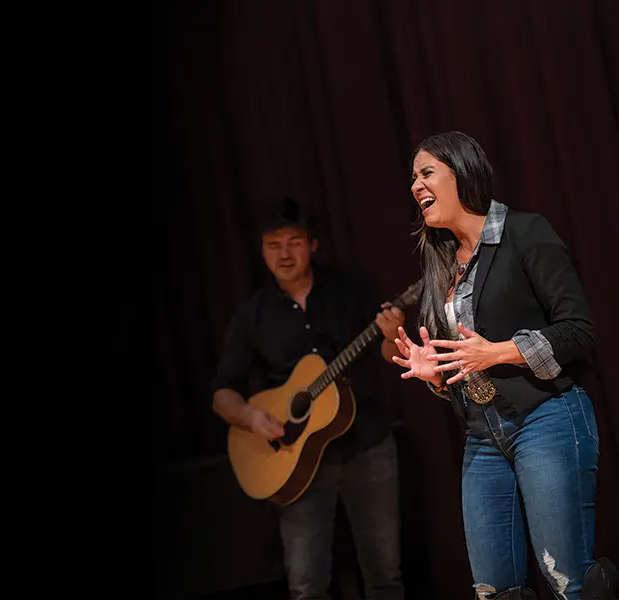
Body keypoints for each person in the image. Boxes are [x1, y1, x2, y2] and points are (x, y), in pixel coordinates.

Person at [391, 130, 617, 600]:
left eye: (426, 173)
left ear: (462, 172)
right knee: (495, 592)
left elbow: (578, 330)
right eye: (413, 177)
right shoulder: (439, 263)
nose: (416, 186)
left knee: (567, 582)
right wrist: (437, 377)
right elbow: (463, 360)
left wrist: (498, 351)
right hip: (482, 435)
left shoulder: (524, 232)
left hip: (547, 418)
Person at [210, 197, 407, 600]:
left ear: (312, 244)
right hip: (295, 460)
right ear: (262, 251)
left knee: (385, 575)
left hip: (367, 446)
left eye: (294, 241)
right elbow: (221, 393)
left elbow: (390, 355)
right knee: (305, 585)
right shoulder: (253, 315)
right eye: (273, 244)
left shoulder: (352, 290)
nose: (285, 253)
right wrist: (250, 416)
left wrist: (391, 335)